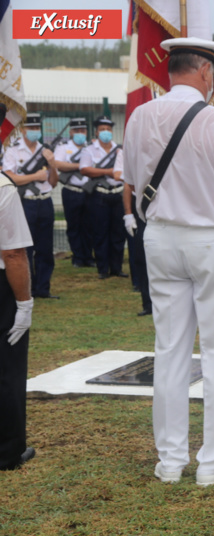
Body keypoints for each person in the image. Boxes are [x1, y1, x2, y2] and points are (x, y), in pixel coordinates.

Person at [123, 36, 214, 486]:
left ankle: (170, 461)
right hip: (212, 241)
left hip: (161, 237)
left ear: (171, 71)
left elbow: (132, 182)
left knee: (169, 350)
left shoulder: (140, 117)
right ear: (205, 71)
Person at [0, 129, 36, 471]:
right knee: (7, 368)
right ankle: (7, 450)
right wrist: (24, 303)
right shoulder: (3, 187)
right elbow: (12, 253)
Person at [2, 113, 60, 299]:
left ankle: (43, 288)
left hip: (45, 201)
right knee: (24, 248)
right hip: (25, 202)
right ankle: (27, 289)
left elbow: (53, 182)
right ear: (23, 129)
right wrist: (34, 177)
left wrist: (52, 164)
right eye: (31, 128)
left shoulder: (45, 150)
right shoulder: (13, 150)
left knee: (45, 248)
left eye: (37, 128)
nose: (35, 131)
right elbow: (9, 178)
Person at [79, 116, 126, 280]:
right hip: (99, 195)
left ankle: (117, 268)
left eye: (108, 129)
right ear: (96, 132)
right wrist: (108, 172)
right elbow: (85, 169)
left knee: (118, 233)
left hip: (118, 193)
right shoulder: (89, 150)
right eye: (102, 129)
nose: (106, 132)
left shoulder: (120, 150)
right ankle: (103, 268)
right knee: (100, 232)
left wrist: (113, 172)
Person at [54, 117, 94, 268]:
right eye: (77, 131)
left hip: (89, 191)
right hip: (71, 191)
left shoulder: (91, 147)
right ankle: (77, 257)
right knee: (74, 226)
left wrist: (78, 166)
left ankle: (88, 257)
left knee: (89, 226)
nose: (80, 133)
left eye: (83, 130)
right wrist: (80, 166)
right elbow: (58, 164)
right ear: (71, 132)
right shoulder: (64, 147)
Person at [118, 152, 152, 317]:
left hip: (164, 206)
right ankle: (148, 304)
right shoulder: (136, 153)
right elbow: (127, 185)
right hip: (141, 207)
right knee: (142, 257)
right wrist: (128, 214)